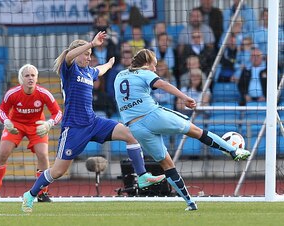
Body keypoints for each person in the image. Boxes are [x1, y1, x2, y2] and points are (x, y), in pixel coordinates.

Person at [21, 32, 165, 213]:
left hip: (93, 122)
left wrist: (110, 64)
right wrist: (91, 44)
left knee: (131, 135)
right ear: (78, 52)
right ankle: (30, 194)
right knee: (57, 171)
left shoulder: (89, 72)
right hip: (74, 128)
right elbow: (68, 56)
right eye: (87, 54)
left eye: (90, 55)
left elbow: (101, 69)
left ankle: (142, 176)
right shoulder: (69, 69)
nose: (89, 58)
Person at [113, 49, 251, 210]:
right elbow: (163, 84)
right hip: (153, 116)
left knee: (167, 164)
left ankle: (190, 202)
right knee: (196, 131)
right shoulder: (144, 73)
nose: (155, 69)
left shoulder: (119, 76)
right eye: (154, 65)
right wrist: (185, 97)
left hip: (135, 127)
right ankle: (233, 151)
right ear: (146, 64)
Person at [0, 64, 63, 203]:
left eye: (33, 75)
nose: (30, 78)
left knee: (43, 155)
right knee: (3, 153)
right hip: (15, 125)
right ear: (21, 79)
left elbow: (58, 112)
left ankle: (42, 192)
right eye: (27, 76)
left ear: (37, 78)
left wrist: (49, 124)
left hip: (37, 125)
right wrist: (6, 121)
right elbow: (2, 110)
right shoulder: (12, 93)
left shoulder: (44, 93)